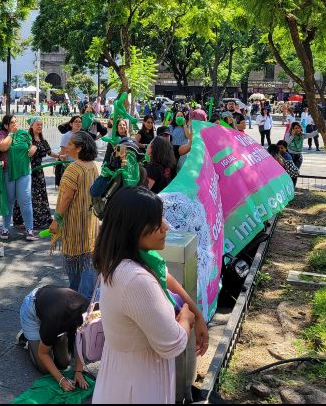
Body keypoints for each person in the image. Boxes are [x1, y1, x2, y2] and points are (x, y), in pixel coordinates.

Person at [91, 187, 196, 404]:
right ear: (134, 228)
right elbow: (171, 343)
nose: (166, 227)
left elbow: (165, 277)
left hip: (122, 375)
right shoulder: (136, 279)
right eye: (157, 222)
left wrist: (199, 317)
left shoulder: (119, 260)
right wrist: (187, 320)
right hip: (139, 385)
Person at [49, 131, 99, 300]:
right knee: (88, 262)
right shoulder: (92, 165)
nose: (66, 146)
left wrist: (56, 219)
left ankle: (79, 303)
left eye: (70, 144)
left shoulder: (74, 169)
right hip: (90, 220)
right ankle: (84, 299)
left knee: (77, 265)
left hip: (75, 224)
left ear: (78, 148)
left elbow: (67, 197)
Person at [18, 286, 90, 392]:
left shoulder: (88, 312)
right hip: (32, 310)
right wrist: (61, 380)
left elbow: (82, 341)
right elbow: (43, 354)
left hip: (54, 309)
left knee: (64, 362)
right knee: (44, 368)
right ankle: (26, 338)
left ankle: (48, 339)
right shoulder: (55, 321)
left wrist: (79, 371)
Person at [0, 114, 37, 241]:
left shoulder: (23, 134)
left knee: (25, 200)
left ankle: (29, 229)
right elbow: (3, 147)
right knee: (8, 200)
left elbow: (32, 144)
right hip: (8, 171)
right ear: (6, 125)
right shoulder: (2, 134)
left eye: (16, 122)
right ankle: (5, 227)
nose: (15, 124)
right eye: (12, 123)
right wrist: (11, 134)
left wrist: (33, 148)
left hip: (24, 171)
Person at [14, 117, 58, 231]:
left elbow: (49, 152)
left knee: (40, 195)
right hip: (28, 170)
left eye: (41, 125)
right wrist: (29, 152)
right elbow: (22, 153)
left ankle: (42, 219)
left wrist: (59, 156)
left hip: (39, 172)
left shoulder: (42, 140)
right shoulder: (27, 139)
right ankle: (22, 220)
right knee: (27, 195)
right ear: (31, 126)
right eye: (37, 124)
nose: (40, 126)